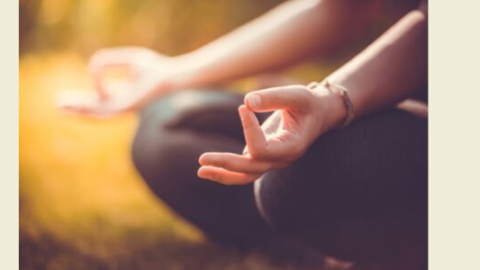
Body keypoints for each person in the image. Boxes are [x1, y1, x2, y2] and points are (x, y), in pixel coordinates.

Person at [59, 0, 428, 269]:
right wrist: (170, 73)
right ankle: (334, 250)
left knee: (286, 184)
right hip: (373, 100)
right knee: (164, 128)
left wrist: (332, 100)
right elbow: (337, 9)